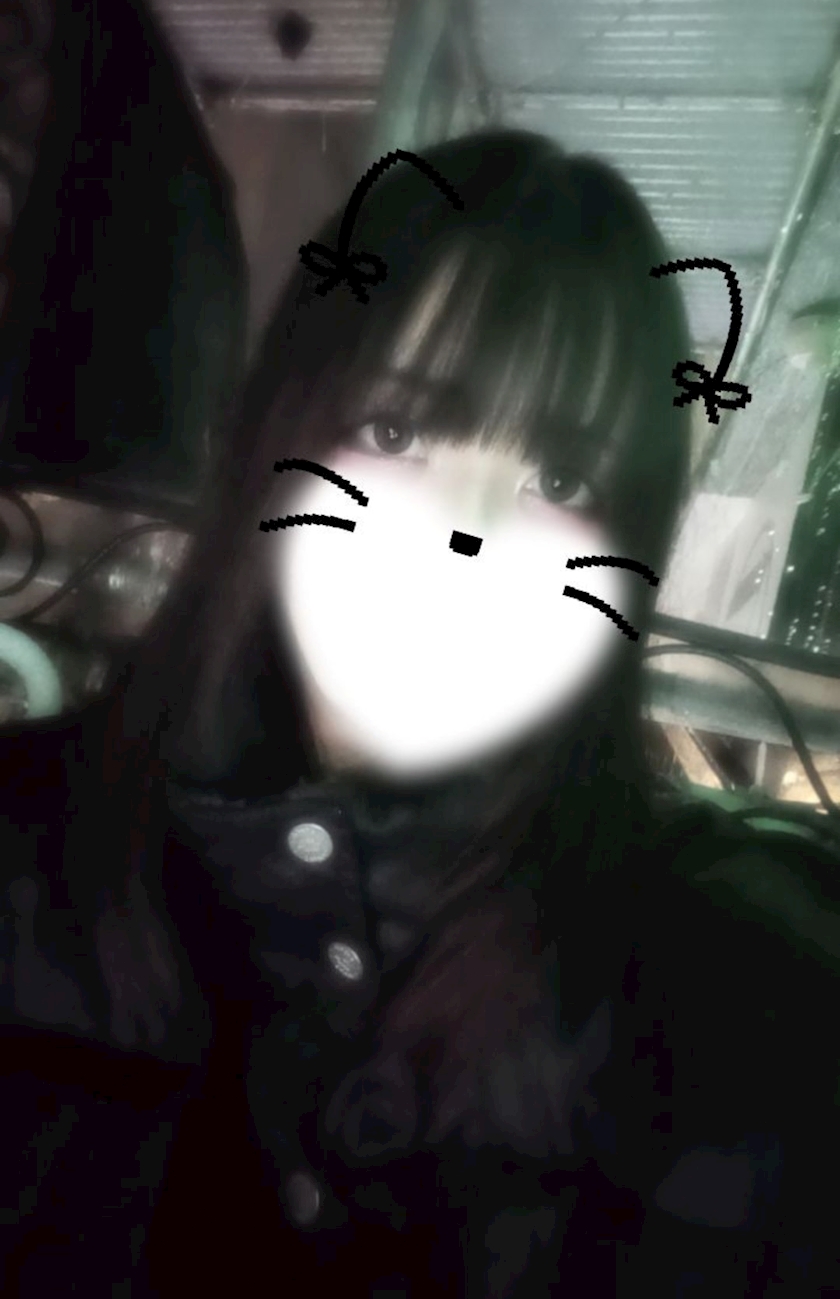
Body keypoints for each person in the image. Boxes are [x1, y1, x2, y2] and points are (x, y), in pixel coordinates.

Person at [1, 127, 838, 1298]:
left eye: (564, 479)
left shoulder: (739, 999)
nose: (468, 535)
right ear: (271, 440)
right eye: (396, 430)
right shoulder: (28, 849)